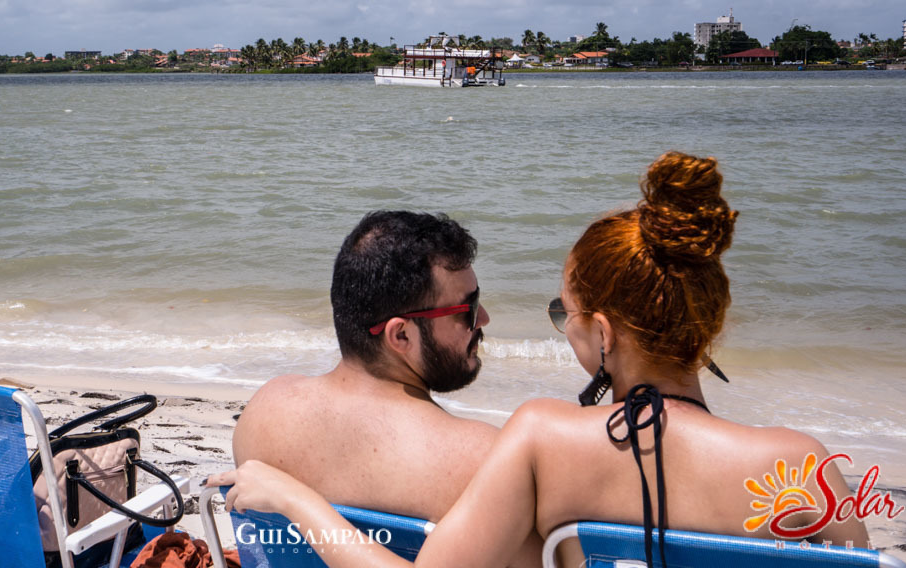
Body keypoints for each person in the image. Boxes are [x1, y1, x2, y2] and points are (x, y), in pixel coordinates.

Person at [212, 153, 868, 568]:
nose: (489, 322)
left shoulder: (540, 445)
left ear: (603, 334)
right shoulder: (805, 467)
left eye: (567, 315)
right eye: (470, 309)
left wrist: (298, 499)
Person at [232, 211, 525, 543]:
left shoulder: (263, 412)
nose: (483, 319)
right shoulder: (480, 458)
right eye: (467, 310)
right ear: (400, 336)